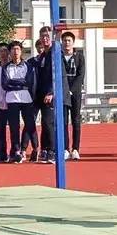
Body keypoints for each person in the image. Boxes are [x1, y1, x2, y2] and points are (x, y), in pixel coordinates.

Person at [34, 26, 71, 164]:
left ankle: (54, 151)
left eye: (47, 36)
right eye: (42, 36)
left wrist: (51, 92)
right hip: (43, 95)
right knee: (45, 123)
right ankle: (47, 150)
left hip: (55, 94)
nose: (45, 39)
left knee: (51, 123)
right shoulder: (43, 55)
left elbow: (57, 75)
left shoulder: (56, 52)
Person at [2, 41, 38, 164]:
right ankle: (16, 151)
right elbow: (5, 84)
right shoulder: (6, 67)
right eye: (13, 49)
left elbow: (29, 82)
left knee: (30, 125)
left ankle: (35, 148)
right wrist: (20, 83)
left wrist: (15, 82)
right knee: (14, 126)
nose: (15, 52)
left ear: (21, 51)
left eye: (17, 49)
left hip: (26, 98)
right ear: (10, 52)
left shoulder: (28, 66)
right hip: (12, 99)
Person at [61, 31, 86, 161]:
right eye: (64, 40)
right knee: (63, 121)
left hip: (75, 92)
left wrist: (72, 90)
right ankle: (65, 148)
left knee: (76, 120)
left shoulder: (79, 56)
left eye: (69, 40)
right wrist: (65, 90)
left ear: (73, 42)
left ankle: (75, 148)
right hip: (63, 92)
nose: (67, 43)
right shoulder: (58, 56)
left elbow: (81, 75)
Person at [21, 39, 43, 162]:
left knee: (47, 124)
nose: (40, 49)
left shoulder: (49, 61)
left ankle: (44, 149)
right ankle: (24, 149)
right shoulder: (30, 63)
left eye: (42, 47)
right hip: (32, 97)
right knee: (29, 124)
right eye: (38, 47)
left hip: (45, 96)